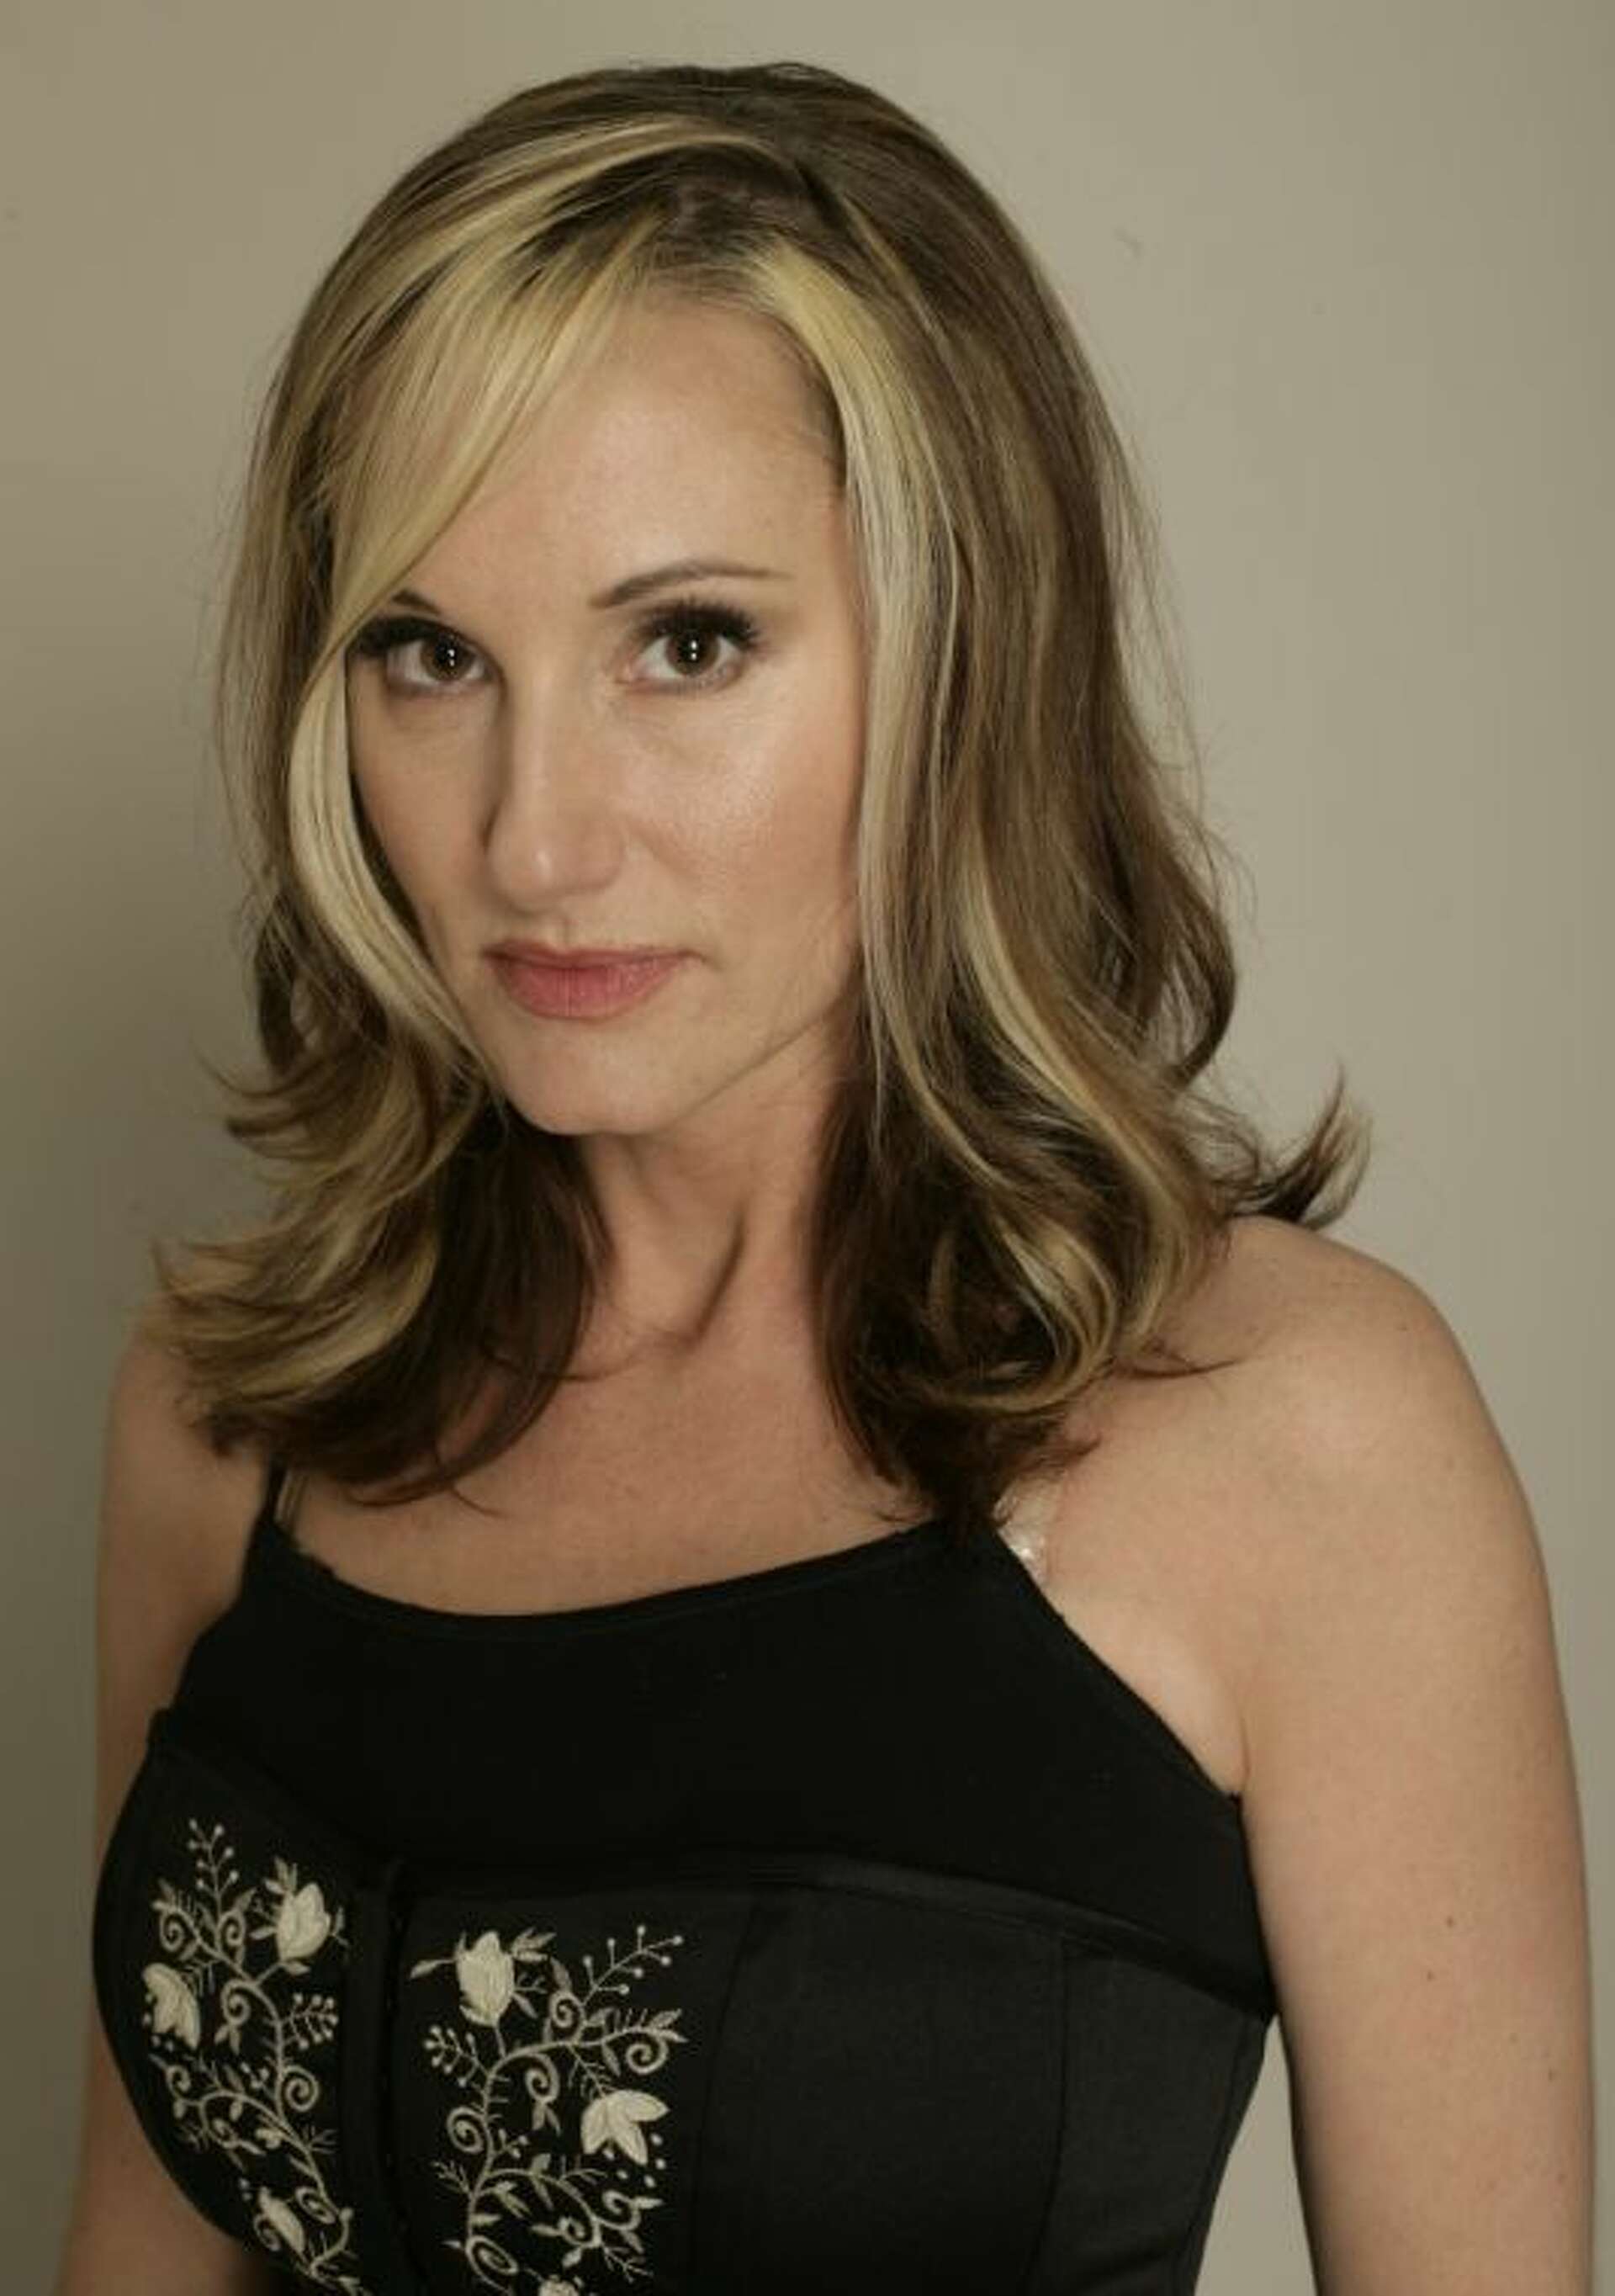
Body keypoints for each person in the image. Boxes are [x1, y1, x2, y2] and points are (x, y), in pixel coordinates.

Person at [56, 58, 1591, 2296]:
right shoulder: (227, 1408)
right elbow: (135, 2252)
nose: (532, 839)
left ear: (960, 664)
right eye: (428, 653)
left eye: (688, 644)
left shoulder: (1297, 1448)